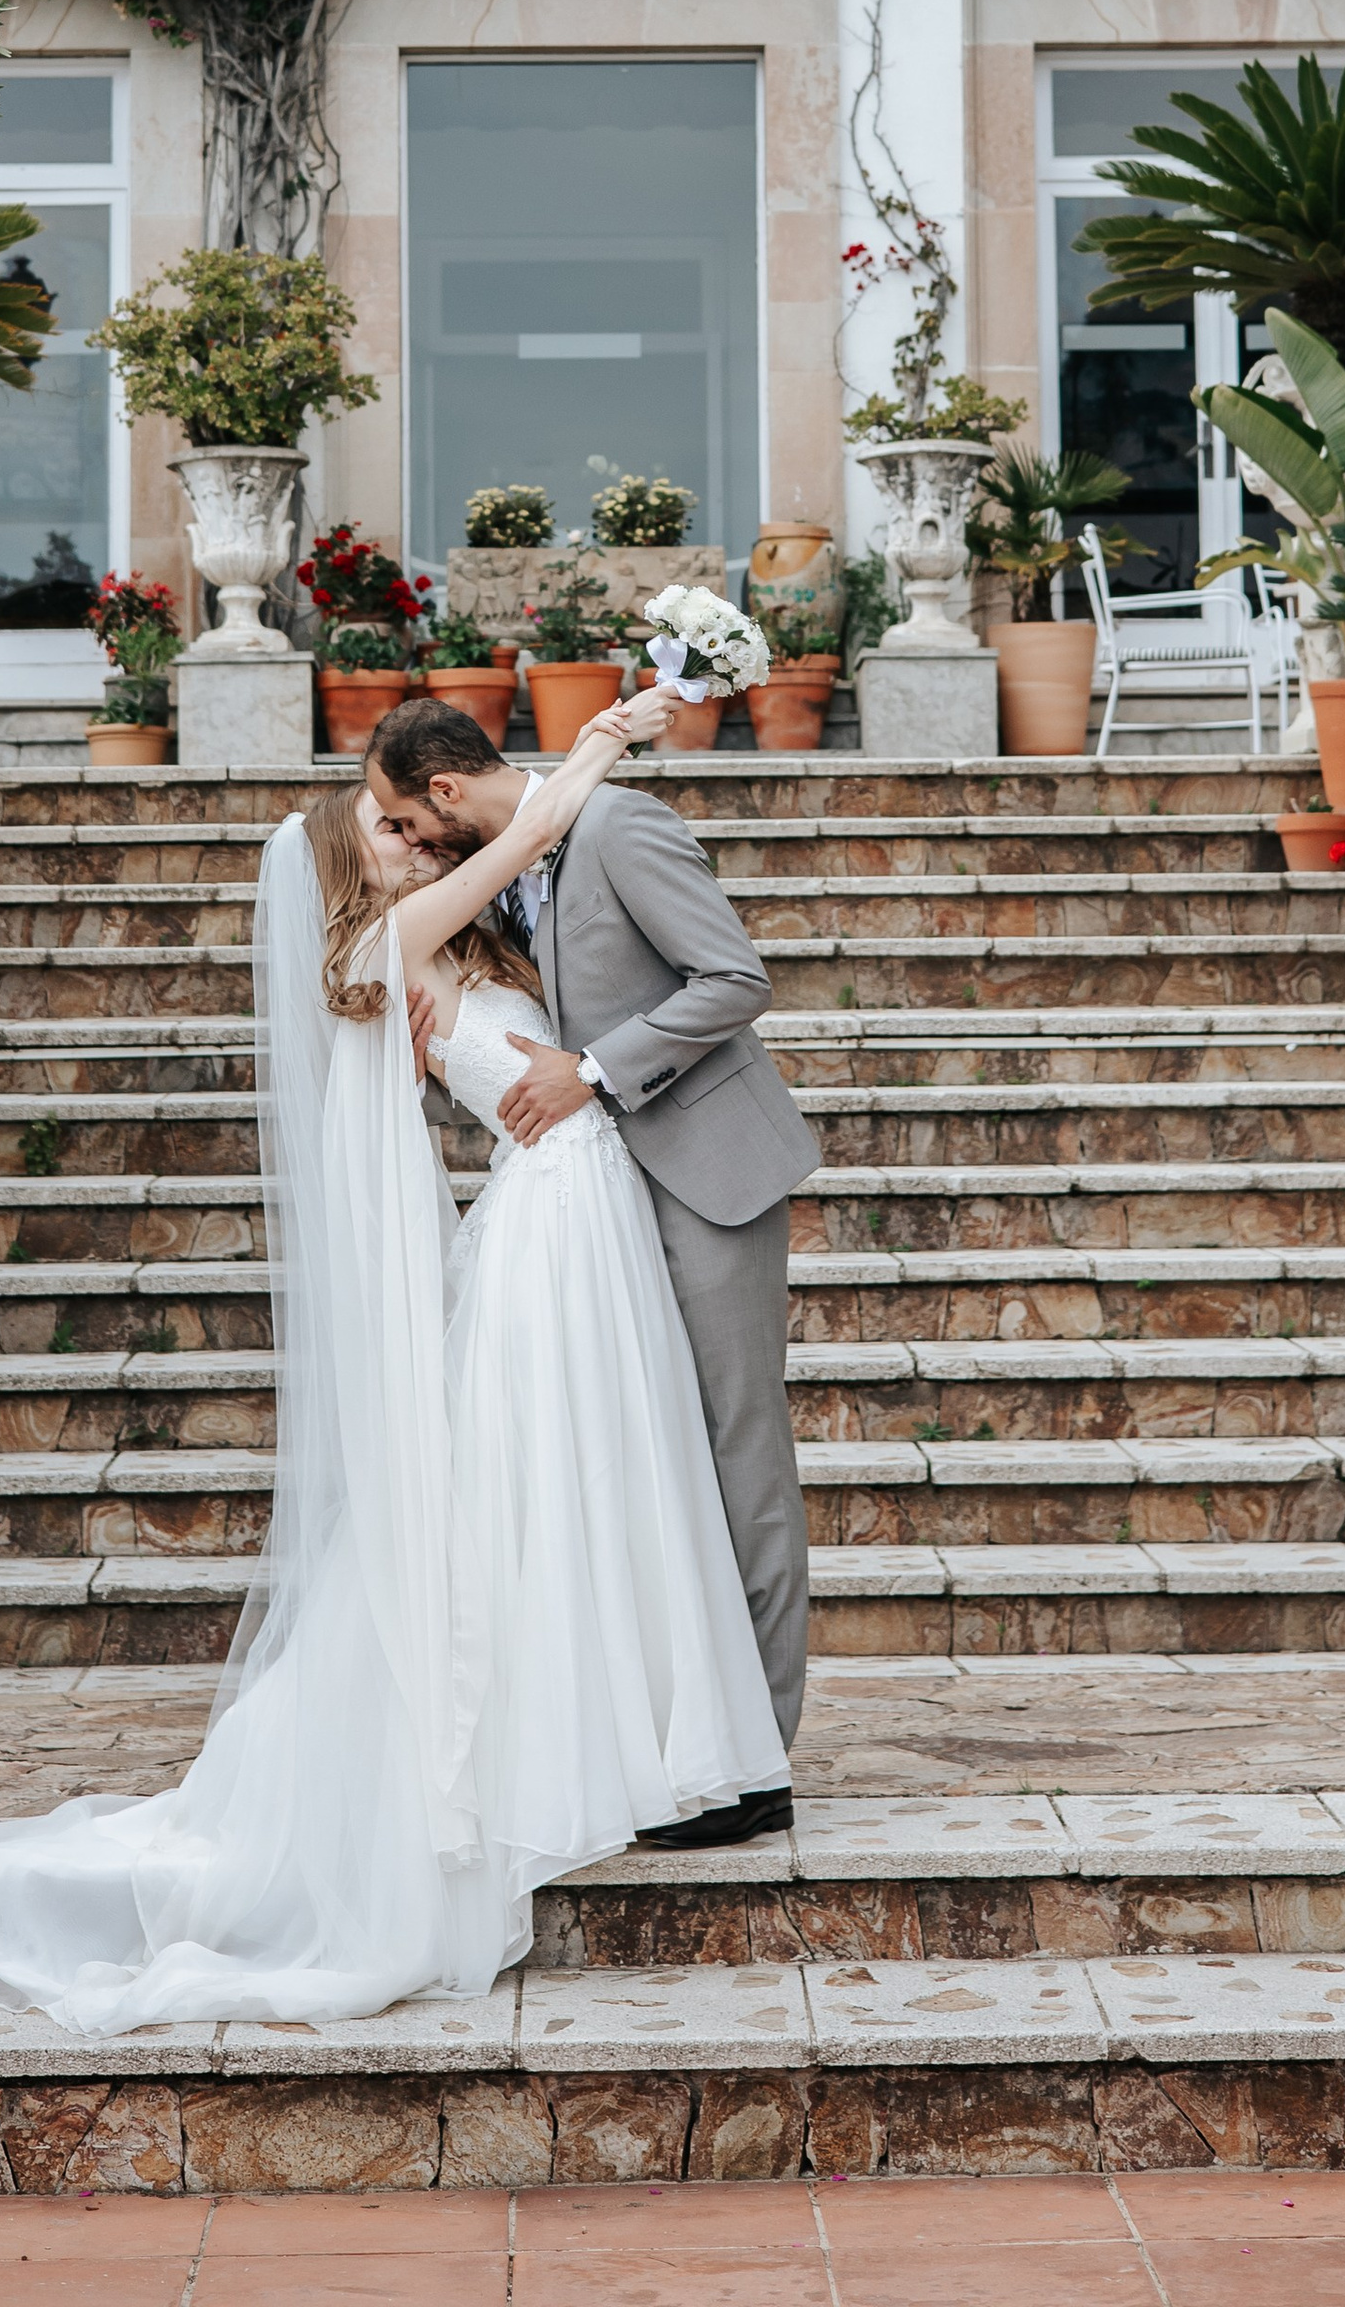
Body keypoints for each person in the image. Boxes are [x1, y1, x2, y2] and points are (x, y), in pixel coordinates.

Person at [0, 690, 786, 2033]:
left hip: (582, 1203)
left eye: (402, 814)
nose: (404, 837)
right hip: (557, 1212)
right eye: (381, 828)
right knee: (585, 1473)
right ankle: (634, 1745)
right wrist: (603, 740)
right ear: (348, 863)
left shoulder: (440, 950)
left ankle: (678, 1734)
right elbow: (521, 834)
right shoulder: (392, 937)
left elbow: (526, 866)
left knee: (616, 1469)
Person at [365, 691, 817, 1844]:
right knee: (639, 1456)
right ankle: (673, 1730)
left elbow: (733, 981)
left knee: (730, 1448)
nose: (414, 848)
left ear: (448, 792)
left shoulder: (617, 830)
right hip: (588, 1207)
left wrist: (596, 1070)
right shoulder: (498, 879)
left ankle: (752, 1759)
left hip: (700, 1174)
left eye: (412, 825)